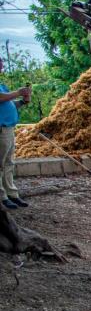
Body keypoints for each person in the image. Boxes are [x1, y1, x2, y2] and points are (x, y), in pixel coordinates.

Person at [0, 57, 31, 210]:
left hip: (8, 129)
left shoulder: (2, 86)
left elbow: (9, 103)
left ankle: (11, 193)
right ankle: (2, 197)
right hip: (1, 129)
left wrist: (23, 101)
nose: (1, 65)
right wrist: (18, 92)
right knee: (1, 163)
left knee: (8, 163)